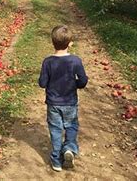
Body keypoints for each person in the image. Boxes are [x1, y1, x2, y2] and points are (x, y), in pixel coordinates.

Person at [38, 25, 88, 172]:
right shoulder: (75, 61)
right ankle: (69, 149)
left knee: (55, 130)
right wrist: (76, 84)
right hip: (70, 102)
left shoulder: (48, 62)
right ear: (70, 43)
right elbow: (83, 81)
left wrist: (47, 81)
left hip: (53, 103)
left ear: (52, 42)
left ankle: (56, 161)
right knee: (71, 126)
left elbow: (42, 83)